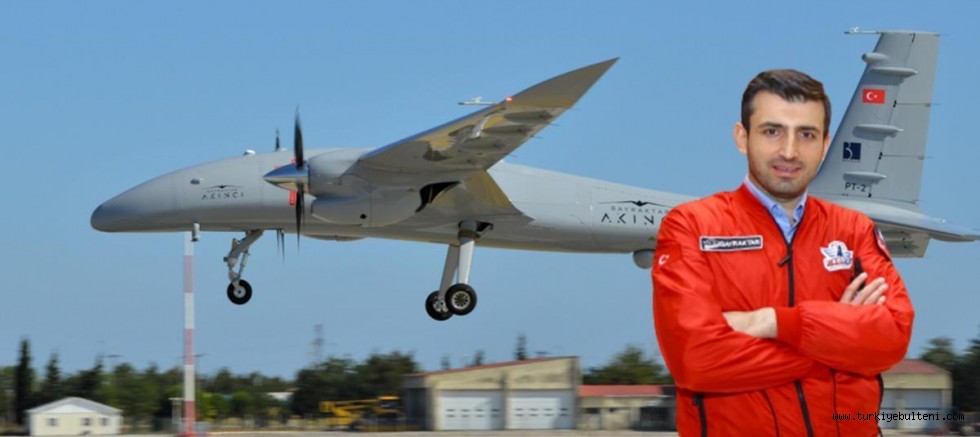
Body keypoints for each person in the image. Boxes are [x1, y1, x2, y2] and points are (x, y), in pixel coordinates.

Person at [651, 69, 914, 436]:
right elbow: (695, 359)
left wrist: (773, 322)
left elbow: (892, 338)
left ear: (825, 144)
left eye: (806, 134)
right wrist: (837, 341)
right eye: (772, 131)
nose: (789, 151)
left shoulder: (854, 230)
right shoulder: (691, 226)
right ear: (742, 138)